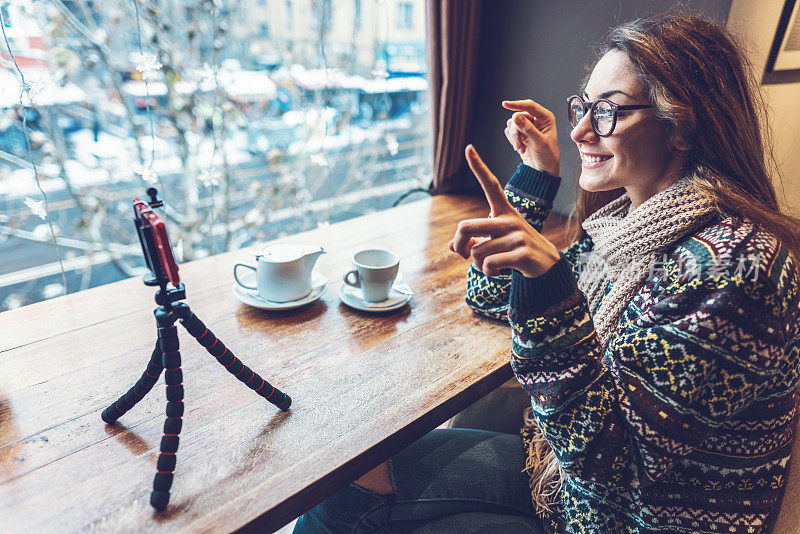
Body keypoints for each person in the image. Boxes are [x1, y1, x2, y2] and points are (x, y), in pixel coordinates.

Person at [294, 12, 800, 533]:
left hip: (626, 516)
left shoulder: (732, 268)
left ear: (683, 125)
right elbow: (492, 300)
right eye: (583, 106)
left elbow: (613, 466)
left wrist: (551, 286)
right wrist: (537, 176)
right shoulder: (626, 227)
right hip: (561, 476)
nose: (580, 129)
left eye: (609, 113)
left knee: (349, 507)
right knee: (344, 481)